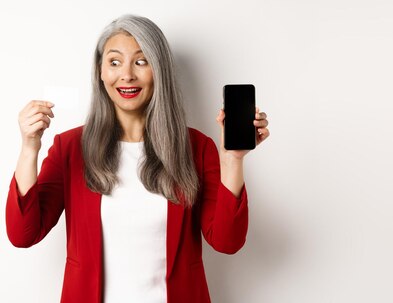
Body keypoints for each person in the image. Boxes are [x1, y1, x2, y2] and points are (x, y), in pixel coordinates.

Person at [6, 14, 269, 303]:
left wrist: (233, 159)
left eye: (141, 61)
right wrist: (30, 147)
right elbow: (23, 234)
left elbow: (227, 241)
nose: (127, 75)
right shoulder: (70, 147)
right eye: (115, 62)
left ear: (159, 70)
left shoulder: (195, 147)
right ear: (100, 71)